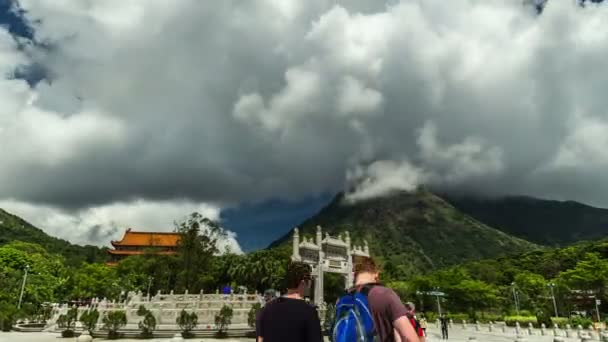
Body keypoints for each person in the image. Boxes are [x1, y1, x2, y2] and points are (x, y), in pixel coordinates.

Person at [353, 257, 421, 342]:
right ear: (376, 274)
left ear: (355, 275)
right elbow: (410, 339)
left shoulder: (342, 299)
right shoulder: (384, 294)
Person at [256, 262, 322, 342]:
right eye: (311, 279)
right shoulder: (309, 312)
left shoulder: (267, 308)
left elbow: (260, 339)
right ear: (303, 282)